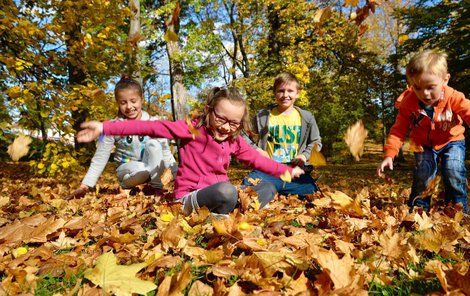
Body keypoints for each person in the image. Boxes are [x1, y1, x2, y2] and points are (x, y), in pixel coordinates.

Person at [76, 87, 305, 215]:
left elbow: (257, 159)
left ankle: (229, 212)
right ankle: (222, 216)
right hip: (189, 198)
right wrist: (105, 127)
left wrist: (285, 171)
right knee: (226, 191)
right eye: (220, 118)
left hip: (218, 193)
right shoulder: (192, 129)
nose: (226, 127)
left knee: (267, 186)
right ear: (209, 111)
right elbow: (151, 127)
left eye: (233, 123)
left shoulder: (234, 140)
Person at [377, 50, 470, 213]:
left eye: (430, 87)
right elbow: (398, 130)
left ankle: (457, 207)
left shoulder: (453, 97)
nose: (424, 93)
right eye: (417, 87)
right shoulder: (408, 103)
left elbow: (468, 111)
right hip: (423, 144)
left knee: (453, 169)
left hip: (452, 140)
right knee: (423, 173)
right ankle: (419, 209)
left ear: (445, 80)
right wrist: (390, 154)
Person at [67, 76, 177, 199]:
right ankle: (129, 185)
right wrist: (85, 186)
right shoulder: (112, 127)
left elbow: (165, 152)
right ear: (118, 103)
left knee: (154, 145)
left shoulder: (154, 122)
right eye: (123, 103)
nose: (129, 106)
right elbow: (100, 157)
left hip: (150, 170)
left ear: (141, 99)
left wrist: (177, 175)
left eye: (133, 101)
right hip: (127, 172)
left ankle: (156, 188)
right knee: (143, 169)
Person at [242, 72, 322, 197]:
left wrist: (304, 156)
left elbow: (316, 142)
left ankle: (278, 190)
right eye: (281, 91)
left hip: (295, 172)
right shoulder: (262, 116)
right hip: (267, 170)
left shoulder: (307, 117)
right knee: (247, 187)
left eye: (290, 91)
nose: (285, 95)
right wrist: (257, 150)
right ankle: (270, 189)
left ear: (297, 93)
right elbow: (242, 135)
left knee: (313, 194)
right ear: (275, 93)